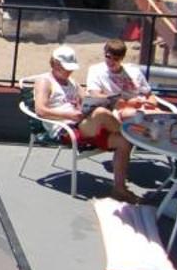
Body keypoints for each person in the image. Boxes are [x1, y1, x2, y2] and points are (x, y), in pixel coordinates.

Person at [33, 45, 140, 201]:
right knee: (102, 114)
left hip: (83, 123)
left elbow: (86, 100)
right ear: (55, 64)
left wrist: (100, 102)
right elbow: (40, 110)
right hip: (65, 128)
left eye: (71, 69)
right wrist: (68, 113)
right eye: (66, 68)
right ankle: (133, 133)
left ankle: (119, 189)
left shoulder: (72, 83)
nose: (69, 72)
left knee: (124, 142)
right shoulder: (45, 81)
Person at [86, 39, 167, 111]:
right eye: (108, 56)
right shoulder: (96, 70)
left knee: (163, 116)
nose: (111, 61)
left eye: (116, 59)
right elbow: (95, 95)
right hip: (115, 109)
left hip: (140, 106)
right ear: (104, 54)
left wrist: (151, 102)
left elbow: (149, 95)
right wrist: (127, 103)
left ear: (122, 58)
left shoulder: (134, 71)